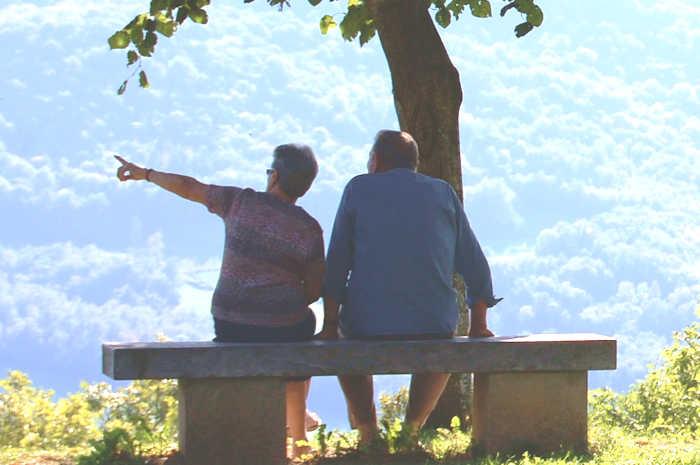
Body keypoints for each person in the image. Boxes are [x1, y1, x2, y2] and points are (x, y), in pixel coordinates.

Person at [114, 144, 325, 459]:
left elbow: (190, 188)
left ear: (275, 177)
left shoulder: (240, 202)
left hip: (230, 324)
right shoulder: (309, 228)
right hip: (282, 329)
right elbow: (314, 290)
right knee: (303, 325)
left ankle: (297, 426)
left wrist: (146, 174)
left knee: (296, 329)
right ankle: (298, 436)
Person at [319, 130, 501, 448]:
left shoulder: (358, 188)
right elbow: (476, 264)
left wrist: (329, 325)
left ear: (375, 161)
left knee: (345, 341)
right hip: (434, 321)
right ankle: (411, 431)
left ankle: (368, 433)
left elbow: (336, 263)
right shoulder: (443, 193)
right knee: (442, 342)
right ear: (415, 164)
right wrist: (479, 325)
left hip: (366, 323)